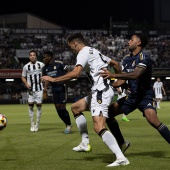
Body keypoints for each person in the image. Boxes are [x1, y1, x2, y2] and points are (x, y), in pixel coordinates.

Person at [41, 33, 130, 167]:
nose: (72, 50)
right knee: (76, 107)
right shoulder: (94, 50)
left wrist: (53, 79)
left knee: (98, 126)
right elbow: (115, 63)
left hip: (101, 92)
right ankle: (85, 143)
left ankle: (120, 157)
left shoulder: (82, 52)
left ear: (75, 44)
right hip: (101, 90)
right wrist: (121, 80)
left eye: (71, 47)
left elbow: (76, 74)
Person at [100, 33, 170, 146]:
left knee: (152, 119)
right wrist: (108, 85)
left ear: (138, 42)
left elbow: (136, 74)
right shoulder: (127, 59)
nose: (128, 42)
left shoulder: (144, 57)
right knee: (108, 113)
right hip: (132, 96)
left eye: (131, 39)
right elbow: (123, 79)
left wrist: (113, 75)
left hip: (144, 96)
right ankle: (122, 143)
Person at [42, 50, 72, 134]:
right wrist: (45, 87)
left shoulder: (59, 63)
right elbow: (47, 79)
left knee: (62, 108)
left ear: (50, 57)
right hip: (54, 89)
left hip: (61, 88)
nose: (43, 59)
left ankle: (68, 125)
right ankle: (67, 124)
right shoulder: (44, 68)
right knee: (58, 110)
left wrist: (65, 80)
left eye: (45, 57)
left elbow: (69, 71)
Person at [21, 50, 45, 132]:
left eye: (34, 55)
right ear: (29, 57)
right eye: (31, 55)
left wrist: (45, 83)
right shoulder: (26, 66)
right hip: (30, 90)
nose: (32, 56)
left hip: (39, 89)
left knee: (39, 106)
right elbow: (23, 77)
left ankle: (37, 124)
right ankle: (32, 124)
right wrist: (26, 83)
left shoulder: (41, 65)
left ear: (36, 56)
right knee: (30, 106)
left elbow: (46, 75)